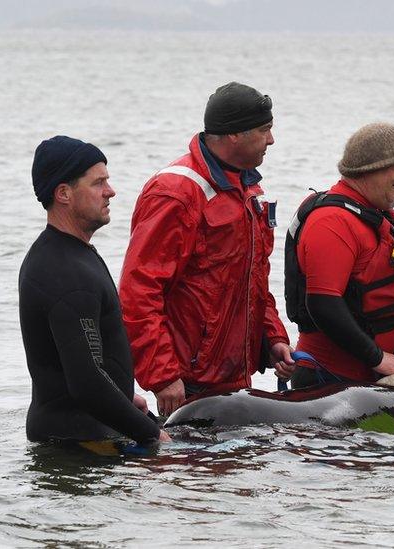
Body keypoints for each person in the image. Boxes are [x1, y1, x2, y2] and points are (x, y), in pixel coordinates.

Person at [120, 82, 293, 416]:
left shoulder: (247, 186)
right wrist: (162, 376)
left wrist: (273, 339)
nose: (271, 140)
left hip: (234, 378)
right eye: (264, 130)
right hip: (189, 382)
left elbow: (253, 279)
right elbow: (138, 290)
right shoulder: (176, 193)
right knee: (188, 468)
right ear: (234, 135)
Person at [20, 136, 169, 446]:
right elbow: (86, 383)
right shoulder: (65, 272)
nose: (110, 191)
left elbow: (84, 363)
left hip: (88, 428)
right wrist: (153, 436)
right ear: (63, 193)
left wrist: (125, 396)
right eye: (98, 183)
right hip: (79, 442)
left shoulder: (69, 254)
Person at [284, 122, 394, 388]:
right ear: (368, 169)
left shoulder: (376, 212)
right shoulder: (331, 222)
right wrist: (376, 357)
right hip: (330, 380)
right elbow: (323, 304)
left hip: (376, 375)